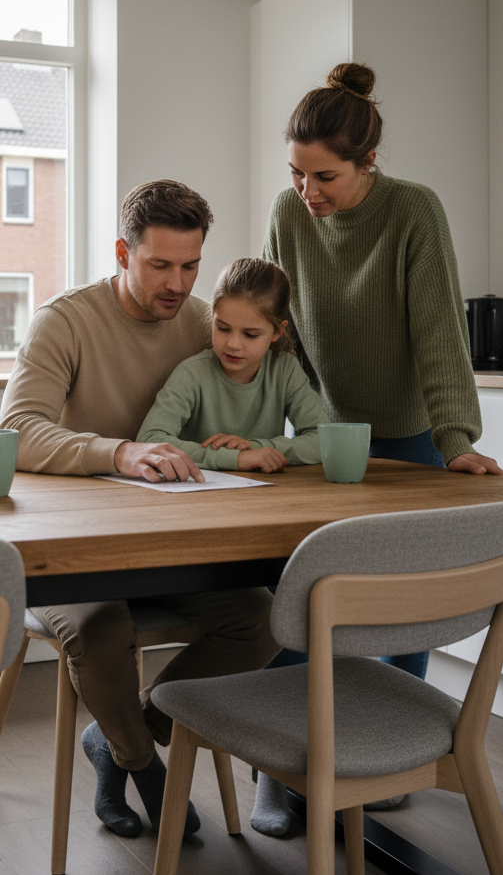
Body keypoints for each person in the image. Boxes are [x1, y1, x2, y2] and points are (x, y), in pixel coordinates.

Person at [252, 61, 503, 835]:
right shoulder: (288, 216)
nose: (306, 191)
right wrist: (287, 434)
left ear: (367, 163)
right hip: (323, 439)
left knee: (402, 619)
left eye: (323, 175)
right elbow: (280, 337)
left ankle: (384, 768)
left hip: (410, 438)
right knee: (306, 605)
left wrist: (456, 438)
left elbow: (436, 331)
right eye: (295, 172)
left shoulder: (411, 212)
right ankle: (273, 765)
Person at [0, 179, 280, 838]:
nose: (177, 284)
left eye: (190, 266)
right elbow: (18, 426)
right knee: (100, 633)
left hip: (169, 541)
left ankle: (128, 733)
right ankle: (141, 764)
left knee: (263, 621)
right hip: (71, 544)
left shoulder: (200, 322)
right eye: (160, 265)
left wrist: (242, 438)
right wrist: (118, 452)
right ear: (124, 252)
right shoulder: (65, 320)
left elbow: (236, 407)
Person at [137, 256, 330, 470]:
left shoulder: (285, 370)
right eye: (223, 328)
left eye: (250, 334)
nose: (233, 344)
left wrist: (258, 447)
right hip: (195, 494)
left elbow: (325, 439)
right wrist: (235, 459)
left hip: (265, 495)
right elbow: (149, 440)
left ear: (277, 331)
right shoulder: (192, 373)